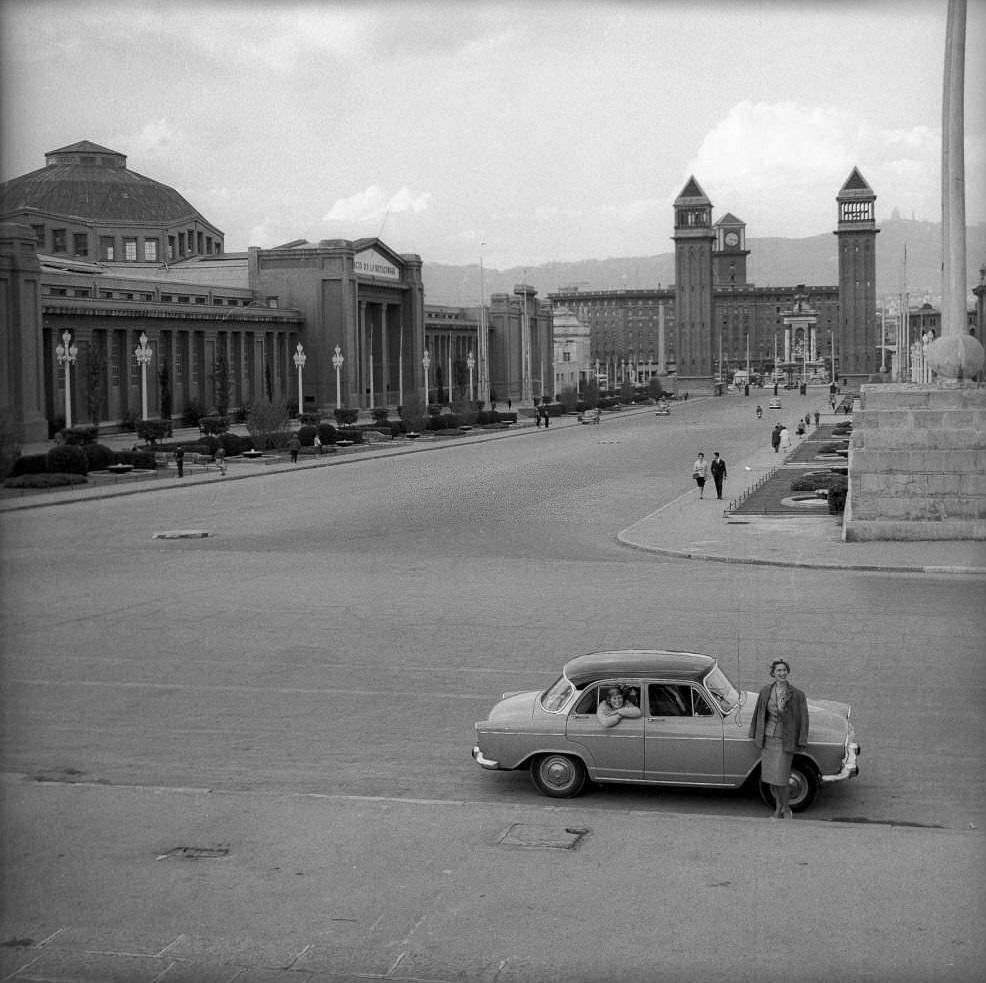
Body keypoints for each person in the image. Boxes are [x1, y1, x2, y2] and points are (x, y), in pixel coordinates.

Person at [749, 660, 809, 819]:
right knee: (771, 778)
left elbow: (803, 720)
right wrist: (755, 733)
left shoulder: (797, 694)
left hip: (786, 740)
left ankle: (784, 809)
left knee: (782, 777)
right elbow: (759, 713)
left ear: (787, 672)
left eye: (784, 670)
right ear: (773, 673)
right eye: (778, 671)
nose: (781, 673)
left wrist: (801, 740)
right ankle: (779, 808)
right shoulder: (765, 691)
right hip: (769, 738)